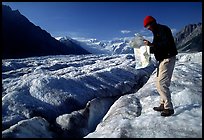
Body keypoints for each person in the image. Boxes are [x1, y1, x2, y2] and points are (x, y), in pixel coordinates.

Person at [143, 16, 178, 117]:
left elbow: (166, 45)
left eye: (147, 26)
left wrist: (151, 45)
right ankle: (163, 104)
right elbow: (158, 47)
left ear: (152, 23)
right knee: (159, 82)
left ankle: (168, 108)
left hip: (167, 58)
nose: (147, 28)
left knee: (162, 83)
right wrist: (148, 48)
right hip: (163, 59)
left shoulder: (163, 30)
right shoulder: (157, 32)